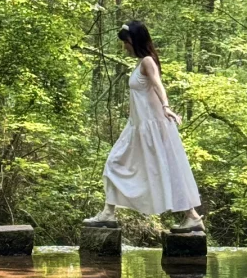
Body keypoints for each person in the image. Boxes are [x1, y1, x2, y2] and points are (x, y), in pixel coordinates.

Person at [84, 20, 204, 231]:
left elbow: (158, 84)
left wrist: (166, 106)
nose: (124, 47)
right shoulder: (140, 63)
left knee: (170, 169)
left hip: (153, 129)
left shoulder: (148, 61)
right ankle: (108, 213)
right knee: (114, 164)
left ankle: (192, 216)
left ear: (133, 40)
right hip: (136, 128)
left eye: (126, 42)